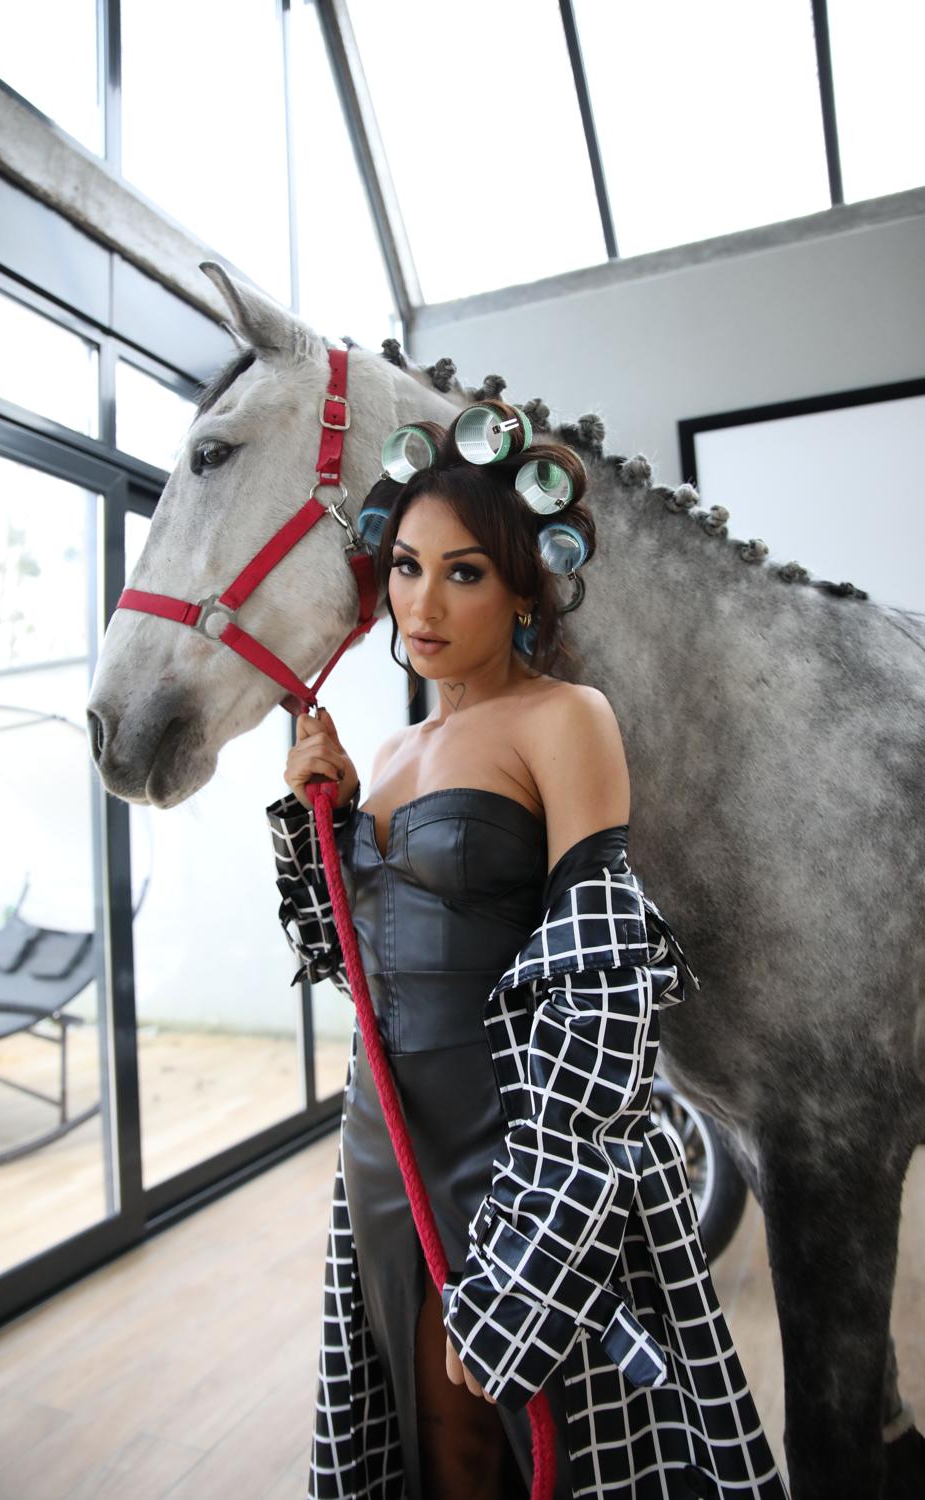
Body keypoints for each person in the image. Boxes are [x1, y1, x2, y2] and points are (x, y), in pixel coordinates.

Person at [266, 404, 788, 1499]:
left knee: (512, 1447)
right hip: (383, 1142)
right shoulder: (393, 749)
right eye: (406, 567)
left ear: (521, 589)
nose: (421, 603)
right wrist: (322, 813)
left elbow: (604, 990)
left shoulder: (566, 718)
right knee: (425, 1439)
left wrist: (534, 1252)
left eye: (462, 573)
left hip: (519, 1150)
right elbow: (349, 962)